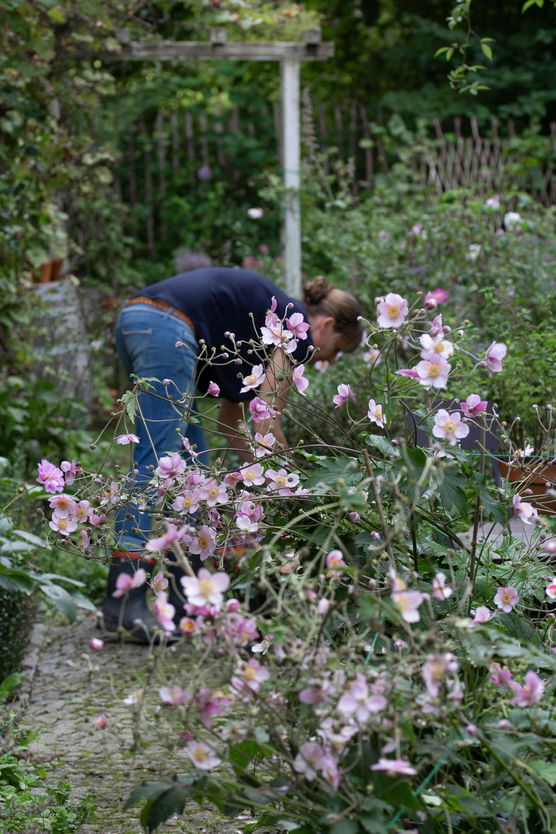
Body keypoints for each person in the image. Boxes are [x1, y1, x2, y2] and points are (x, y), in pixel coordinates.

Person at [101, 266, 362, 640]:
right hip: (165, 325)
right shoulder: (297, 330)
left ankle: (182, 604)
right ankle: (122, 602)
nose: (329, 361)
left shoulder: (273, 326)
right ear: (326, 326)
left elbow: (232, 425)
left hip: (140, 320)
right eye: (338, 350)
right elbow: (266, 422)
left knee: (192, 475)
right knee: (157, 463)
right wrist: (292, 488)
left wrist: (262, 480)